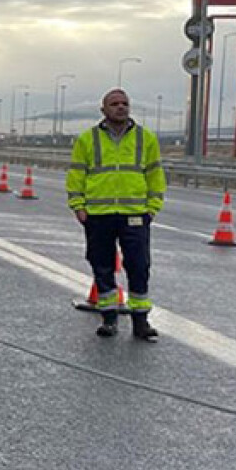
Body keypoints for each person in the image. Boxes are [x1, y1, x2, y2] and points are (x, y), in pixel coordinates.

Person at [66, 89, 165, 340]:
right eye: (114, 104)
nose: (121, 107)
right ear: (104, 110)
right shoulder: (88, 140)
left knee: (139, 266)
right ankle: (109, 319)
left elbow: (155, 175)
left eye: (125, 104)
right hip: (99, 214)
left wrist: (152, 209)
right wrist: (78, 206)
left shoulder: (146, 139)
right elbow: (77, 174)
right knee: (102, 265)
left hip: (135, 214)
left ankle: (140, 321)